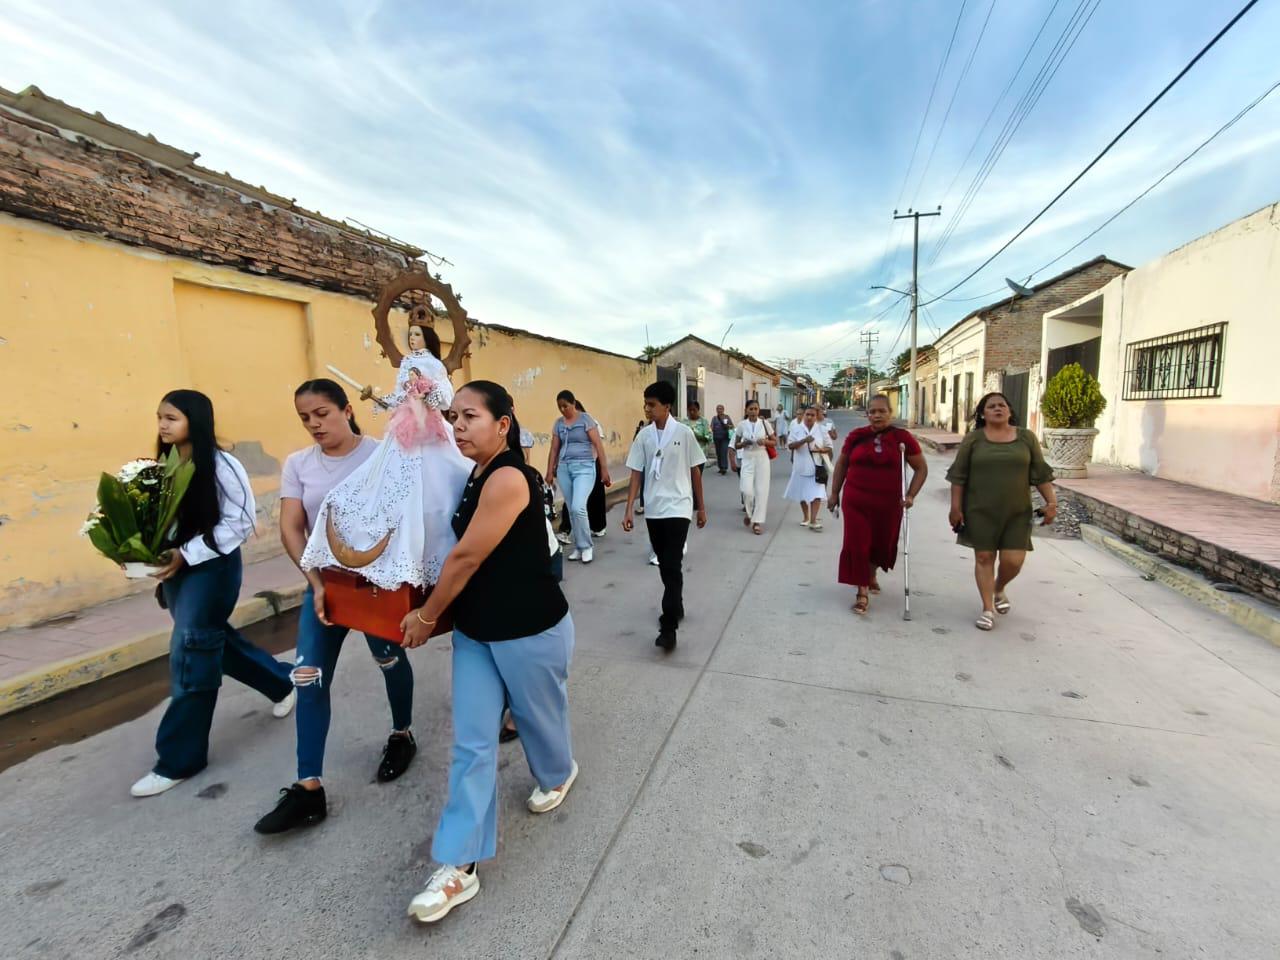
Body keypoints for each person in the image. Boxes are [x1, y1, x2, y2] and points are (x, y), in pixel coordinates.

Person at [403, 381, 576, 924]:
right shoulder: (471, 474)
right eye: (453, 416)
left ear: (503, 424)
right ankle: (459, 865)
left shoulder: (508, 477)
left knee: (538, 721)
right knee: (471, 745)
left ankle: (559, 772)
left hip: (531, 630)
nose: (457, 425)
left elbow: (466, 558)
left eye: (469, 416)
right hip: (478, 634)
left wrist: (427, 615)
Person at [253, 380, 420, 833]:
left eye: (322, 413)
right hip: (325, 587)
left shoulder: (382, 454)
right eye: (305, 417)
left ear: (348, 410)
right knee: (307, 677)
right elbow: (292, 528)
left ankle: (402, 734)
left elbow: (404, 517)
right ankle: (309, 789)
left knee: (388, 658)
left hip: (376, 585)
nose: (313, 424)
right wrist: (316, 583)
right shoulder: (299, 465)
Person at [130, 390, 295, 799]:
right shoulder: (164, 466)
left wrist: (187, 553)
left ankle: (178, 759)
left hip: (211, 569)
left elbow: (240, 522)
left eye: (172, 417)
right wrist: (142, 554)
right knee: (209, 642)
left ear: (196, 420)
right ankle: (283, 683)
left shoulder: (222, 465)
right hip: (177, 573)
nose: (163, 425)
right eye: (160, 417)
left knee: (190, 650)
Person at [300, 321, 472, 593]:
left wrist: (425, 392)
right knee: (389, 486)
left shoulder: (435, 365)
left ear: (427, 338)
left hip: (428, 429)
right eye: (410, 335)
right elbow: (399, 395)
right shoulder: (405, 363)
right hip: (403, 431)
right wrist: (383, 399)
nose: (412, 339)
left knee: (437, 490)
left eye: (417, 334)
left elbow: (445, 398)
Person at [946, 392, 1057, 631]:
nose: (997, 408)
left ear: (1009, 411)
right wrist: (955, 507)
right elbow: (959, 476)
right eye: (991, 406)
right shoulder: (973, 440)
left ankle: (999, 588)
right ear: (983, 414)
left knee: (1013, 560)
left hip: (1017, 512)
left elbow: (1040, 473)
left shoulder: (1026, 438)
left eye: (1002, 405)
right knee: (984, 557)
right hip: (979, 511)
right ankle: (987, 608)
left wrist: (1051, 503)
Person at [623, 381, 707, 650]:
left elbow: (695, 470)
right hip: (655, 509)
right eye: (645, 404)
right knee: (666, 565)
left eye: (652, 404)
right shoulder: (644, 436)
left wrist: (700, 507)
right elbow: (636, 471)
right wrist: (629, 508)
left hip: (679, 507)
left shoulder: (684, 433)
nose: (647, 409)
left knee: (671, 563)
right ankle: (677, 602)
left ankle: (668, 625)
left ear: (667, 406)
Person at [830, 394, 928, 615]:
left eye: (881, 411)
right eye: (872, 411)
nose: (876, 415)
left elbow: (921, 468)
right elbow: (842, 464)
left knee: (880, 544)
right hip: (856, 500)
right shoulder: (856, 436)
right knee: (858, 543)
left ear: (890, 413)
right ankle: (861, 591)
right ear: (867, 414)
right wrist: (834, 493)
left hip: (888, 503)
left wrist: (911, 495)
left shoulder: (902, 438)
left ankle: (871, 574)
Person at [547, 390, 611, 563]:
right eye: (559, 407)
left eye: (565, 406)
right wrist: (549, 471)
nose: (562, 410)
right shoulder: (558, 424)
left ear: (573, 403)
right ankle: (579, 546)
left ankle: (587, 546)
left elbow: (598, 444)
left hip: (584, 467)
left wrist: (604, 470)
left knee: (578, 507)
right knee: (571, 508)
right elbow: (554, 448)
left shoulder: (586, 420)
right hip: (564, 468)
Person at [734, 400, 776, 535]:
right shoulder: (741, 425)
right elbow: (736, 444)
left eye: (756, 409)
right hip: (747, 457)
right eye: (751, 409)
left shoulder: (765, 424)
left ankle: (757, 522)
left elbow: (774, 441)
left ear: (759, 410)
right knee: (747, 490)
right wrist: (744, 443)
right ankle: (749, 512)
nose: (753, 411)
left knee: (761, 491)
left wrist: (765, 441)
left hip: (761, 457)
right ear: (746, 410)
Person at [784, 406, 828, 532]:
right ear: (803, 415)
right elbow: (790, 445)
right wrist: (804, 440)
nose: (809, 417)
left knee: (817, 494)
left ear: (816, 416)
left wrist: (820, 450)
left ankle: (814, 521)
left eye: (812, 415)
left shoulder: (822, 430)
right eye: (807, 414)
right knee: (802, 494)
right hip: (800, 466)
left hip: (816, 467)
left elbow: (829, 447)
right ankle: (806, 517)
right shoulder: (796, 429)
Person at [682, 400, 714, 474]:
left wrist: (696, 436)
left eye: (694, 410)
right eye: (690, 410)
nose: (692, 412)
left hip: (700, 453)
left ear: (698, 410)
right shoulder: (684, 422)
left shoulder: (704, 422)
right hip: (686, 454)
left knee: (697, 476)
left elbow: (709, 437)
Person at [710, 404, 734, 475]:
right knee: (718, 453)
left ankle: (724, 467)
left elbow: (732, 426)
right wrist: (710, 430)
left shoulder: (727, 417)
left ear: (723, 410)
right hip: (716, 437)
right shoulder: (714, 418)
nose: (719, 410)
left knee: (723, 452)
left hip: (725, 438)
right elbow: (711, 426)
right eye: (718, 408)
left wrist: (727, 426)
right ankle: (720, 467)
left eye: (720, 408)